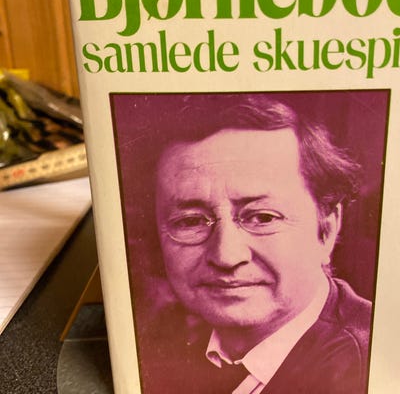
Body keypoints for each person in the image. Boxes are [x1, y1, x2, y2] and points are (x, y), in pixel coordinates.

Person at [142, 94, 372, 393]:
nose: (226, 256)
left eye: (262, 217)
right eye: (191, 221)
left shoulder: (368, 364)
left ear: (325, 230)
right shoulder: (171, 346)